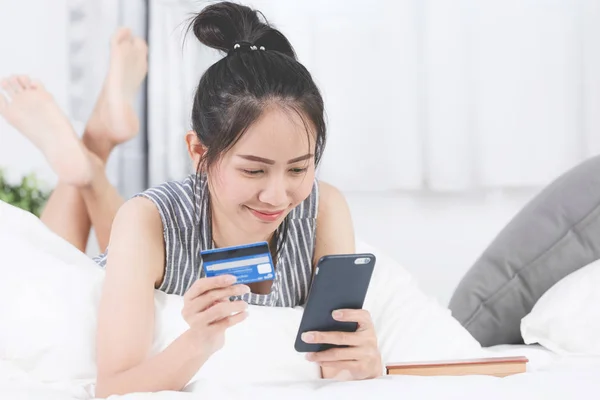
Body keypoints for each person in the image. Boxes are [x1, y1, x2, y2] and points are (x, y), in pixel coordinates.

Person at [0, 2, 383, 396]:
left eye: (299, 169)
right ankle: (91, 156)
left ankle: (95, 149)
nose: (277, 195)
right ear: (199, 152)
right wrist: (198, 341)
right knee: (63, 272)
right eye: (253, 170)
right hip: (98, 273)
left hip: (142, 242)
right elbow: (112, 389)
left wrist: (368, 364)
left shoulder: (323, 209)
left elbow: (337, 367)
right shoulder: (149, 216)